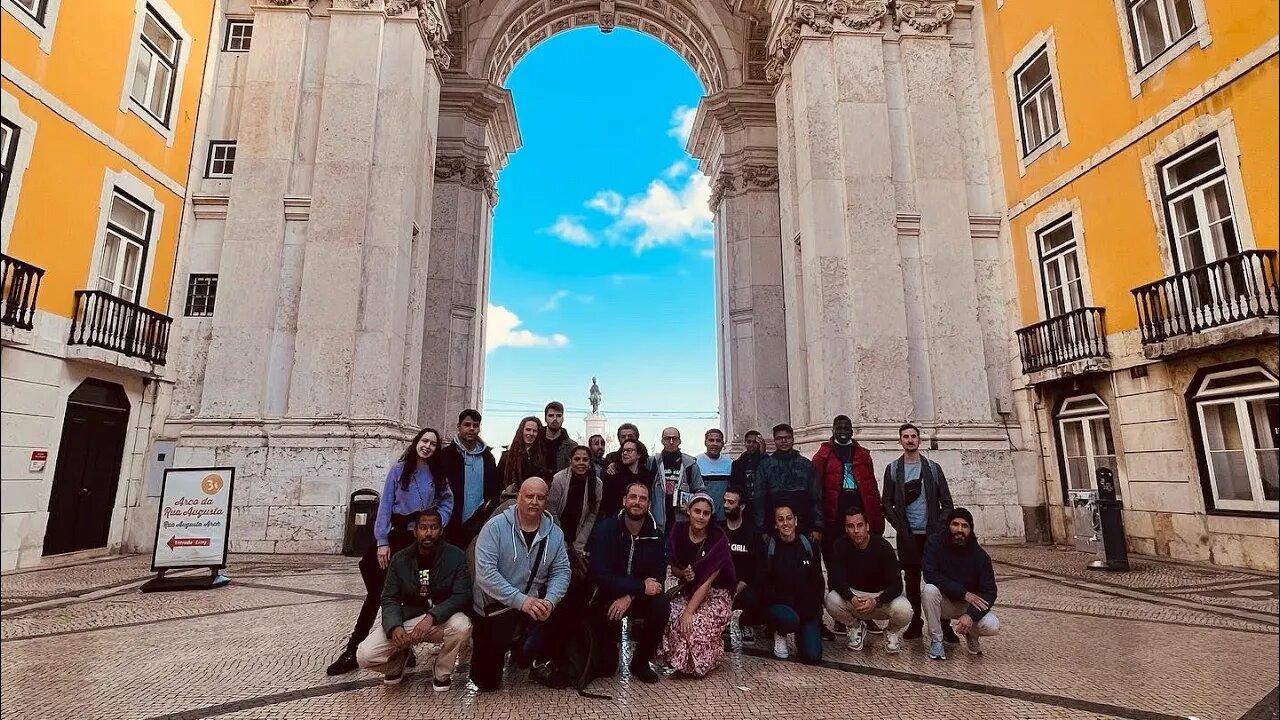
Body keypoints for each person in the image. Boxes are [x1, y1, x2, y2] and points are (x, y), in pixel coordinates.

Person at [327, 428, 454, 676]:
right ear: (417, 442)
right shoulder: (399, 470)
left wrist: (439, 522)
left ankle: (403, 648)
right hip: (395, 537)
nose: (427, 446)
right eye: (424, 441)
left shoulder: (439, 475)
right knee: (378, 594)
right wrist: (382, 540)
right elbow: (385, 505)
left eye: (433, 444)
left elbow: (447, 501)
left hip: (420, 541)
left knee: (417, 592)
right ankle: (354, 649)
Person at [469, 477, 572, 691]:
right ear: (519, 498)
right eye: (529, 496)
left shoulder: (555, 533)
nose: (534, 501)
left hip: (533, 602)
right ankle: (507, 651)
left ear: (546, 502)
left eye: (540, 497)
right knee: (486, 683)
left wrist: (550, 601)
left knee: (567, 605)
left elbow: (561, 571)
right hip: (496, 606)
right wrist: (520, 601)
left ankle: (536, 659)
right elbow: (485, 573)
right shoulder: (495, 528)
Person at [355, 509, 472, 690]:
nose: (428, 533)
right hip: (409, 618)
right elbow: (389, 598)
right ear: (415, 530)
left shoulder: (456, 557)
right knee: (364, 655)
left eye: (434, 527)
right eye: (423, 527)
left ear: (441, 530)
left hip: (441, 619)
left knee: (462, 626)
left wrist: (433, 616)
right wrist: (395, 627)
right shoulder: (400, 559)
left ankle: (442, 670)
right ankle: (397, 663)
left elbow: (462, 595)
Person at [587, 481, 669, 684]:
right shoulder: (604, 530)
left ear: (649, 504)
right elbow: (599, 574)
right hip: (607, 595)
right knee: (606, 667)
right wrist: (639, 586)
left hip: (637, 597)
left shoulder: (655, 535)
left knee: (661, 603)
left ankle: (640, 662)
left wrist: (631, 595)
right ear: (624, 500)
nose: (637, 502)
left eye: (643, 499)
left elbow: (657, 577)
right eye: (633, 497)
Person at [811, 415, 884, 635]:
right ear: (832, 430)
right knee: (835, 567)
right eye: (839, 427)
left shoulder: (863, 454)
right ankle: (840, 616)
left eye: (846, 427)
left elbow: (871, 487)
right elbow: (816, 491)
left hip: (859, 515)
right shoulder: (822, 455)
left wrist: (876, 518)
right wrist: (818, 521)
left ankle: (864, 614)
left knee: (861, 566)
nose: (843, 430)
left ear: (852, 430)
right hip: (833, 518)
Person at [882, 422, 954, 640]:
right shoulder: (893, 469)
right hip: (908, 536)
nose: (910, 440)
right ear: (900, 440)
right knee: (912, 581)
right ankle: (915, 623)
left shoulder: (932, 469)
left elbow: (947, 503)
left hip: (931, 536)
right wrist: (900, 526)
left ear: (919, 440)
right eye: (906, 436)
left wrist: (938, 528)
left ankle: (944, 625)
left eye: (913, 436)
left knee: (937, 581)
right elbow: (886, 502)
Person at [662, 492, 737, 677]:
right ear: (689, 510)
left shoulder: (718, 539)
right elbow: (675, 567)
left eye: (705, 513)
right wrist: (683, 573)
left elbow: (708, 580)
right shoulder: (678, 531)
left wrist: (689, 612)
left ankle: (707, 660)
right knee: (671, 617)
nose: (700, 517)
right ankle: (679, 662)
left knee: (694, 625)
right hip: (689, 591)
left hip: (716, 593)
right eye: (697, 511)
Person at [823, 508, 911, 654]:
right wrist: (851, 598)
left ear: (867, 526)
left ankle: (891, 632)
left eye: (860, 525)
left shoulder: (883, 547)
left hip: (880, 599)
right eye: (851, 526)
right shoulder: (840, 545)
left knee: (905, 610)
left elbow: (897, 584)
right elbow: (836, 579)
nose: (856, 530)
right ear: (845, 528)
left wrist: (877, 600)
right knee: (831, 599)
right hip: (855, 597)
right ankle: (855, 627)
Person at [922, 508, 1000, 660]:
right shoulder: (935, 543)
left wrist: (970, 615)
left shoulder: (980, 556)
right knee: (929, 590)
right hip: (944, 601)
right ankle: (937, 640)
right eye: (955, 524)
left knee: (992, 624)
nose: (959, 530)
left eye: (965, 526)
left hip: (968, 606)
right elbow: (930, 574)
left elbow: (990, 592)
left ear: (970, 530)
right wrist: (963, 593)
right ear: (948, 526)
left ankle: (972, 635)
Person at [758, 505, 824, 665]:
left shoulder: (808, 546)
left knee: (812, 657)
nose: (785, 523)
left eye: (789, 518)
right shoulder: (769, 548)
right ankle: (780, 632)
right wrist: (784, 601)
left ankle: (801, 635)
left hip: (805, 608)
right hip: (780, 606)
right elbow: (763, 585)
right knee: (789, 619)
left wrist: (812, 607)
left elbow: (818, 581)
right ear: (775, 524)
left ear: (795, 521)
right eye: (780, 519)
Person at [438, 409, 501, 548]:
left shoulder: (488, 458)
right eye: (467, 425)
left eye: (475, 425)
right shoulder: (447, 455)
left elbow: (494, 490)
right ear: (459, 427)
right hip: (451, 523)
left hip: (479, 525)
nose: (471, 429)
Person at [753, 424, 822, 546]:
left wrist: (817, 527)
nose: (784, 441)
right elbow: (760, 498)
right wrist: (762, 529)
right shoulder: (765, 466)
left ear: (793, 439)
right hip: (774, 527)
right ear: (774, 440)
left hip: (805, 526)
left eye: (787, 437)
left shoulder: (807, 465)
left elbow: (816, 497)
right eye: (779, 438)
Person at [721, 487, 763, 643]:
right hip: (720, 583)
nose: (726, 505)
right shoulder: (718, 530)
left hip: (744, 585)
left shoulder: (752, 533)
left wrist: (741, 584)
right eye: (725, 501)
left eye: (731, 502)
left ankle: (747, 622)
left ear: (742, 506)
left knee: (754, 595)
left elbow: (758, 567)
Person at [547, 445, 603, 553]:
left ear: (590, 463)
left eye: (585, 460)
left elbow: (592, 515)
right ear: (570, 461)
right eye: (577, 459)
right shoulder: (558, 480)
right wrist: (562, 541)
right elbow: (551, 513)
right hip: (556, 531)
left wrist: (579, 544)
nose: (581, 463)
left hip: (580, 534)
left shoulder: (597, 484)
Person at [652, 427, 704, 533]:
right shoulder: (653, 462)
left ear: (680, 441)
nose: (671, 442)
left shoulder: (690, 464)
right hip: (658, 524)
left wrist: (691, 505)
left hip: (683, 522)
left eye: (674, 438)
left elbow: (700, 491)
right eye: (667, 438)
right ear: (662, 441)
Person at [497, 416, 552, 490]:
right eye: (528, 430)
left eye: (534, 431)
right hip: (511, 498)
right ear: (522, 431)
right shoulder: (507, 457)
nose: (531, 433)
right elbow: (499, 481)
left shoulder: (545, 455)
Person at [695, 429, 732, 520]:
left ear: (723, 443)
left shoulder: (730, 463)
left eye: (718, 441)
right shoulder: (696, 462)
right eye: (711, 440)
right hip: (702, 517)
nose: (714, 444)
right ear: (705, 442)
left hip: (723, 517)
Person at [729, 429, 766, 511]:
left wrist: (763, 454)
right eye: (749, 442)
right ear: (745, 443)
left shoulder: (766, 461)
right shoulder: (737, 464)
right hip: (744, 505)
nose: (751, 445)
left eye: (755, 442)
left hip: (763, 505)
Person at [541, 401, 575, 473]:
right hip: (536, 483)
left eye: (558, 416)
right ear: (545, 418)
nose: (555, 419)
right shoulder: (536, 442)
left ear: (563, 418)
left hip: (561, 483)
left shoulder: (572, 446)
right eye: (551, 415)